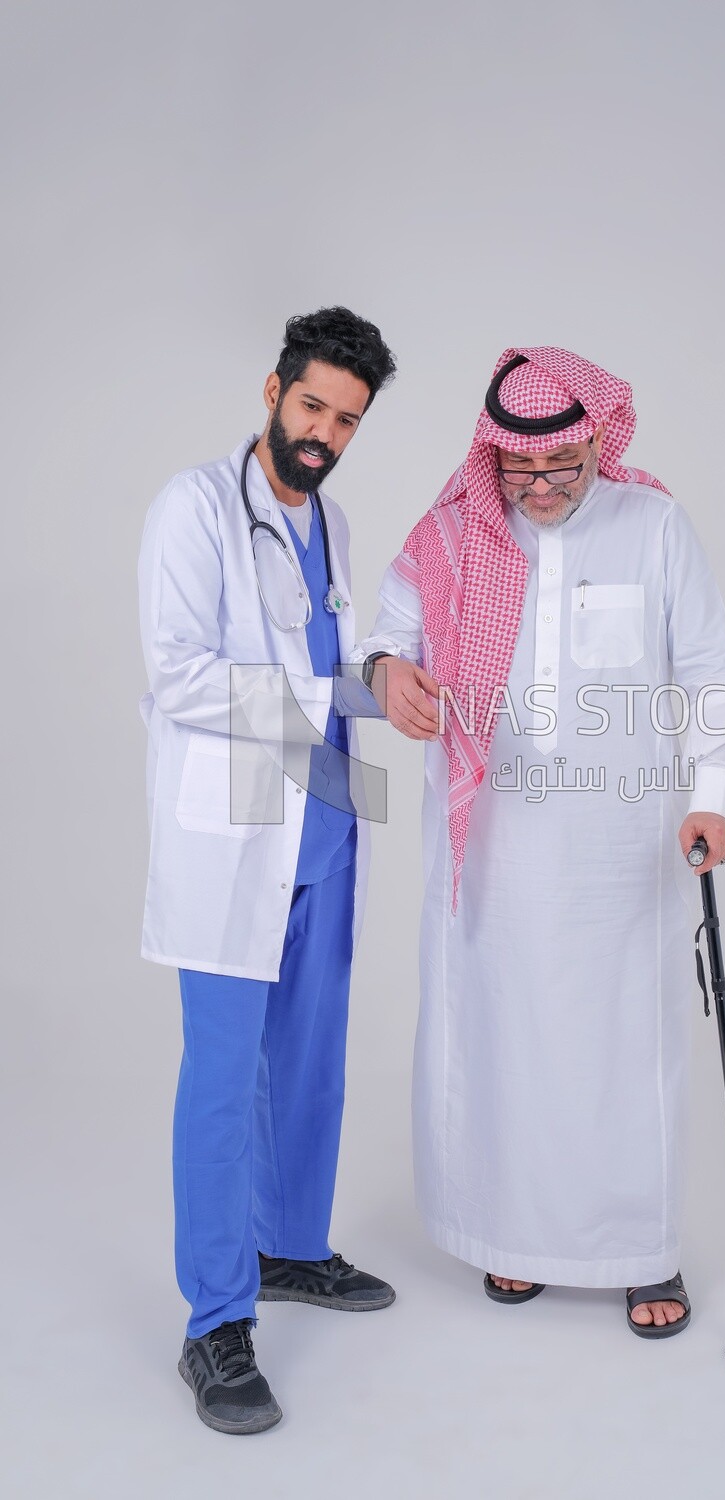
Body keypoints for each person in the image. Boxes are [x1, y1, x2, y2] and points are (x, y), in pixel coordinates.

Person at [355, 346, 725, 1340]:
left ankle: (641, 1252)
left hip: (621, 846)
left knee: (623, 1045)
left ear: (596, 443)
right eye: (520, 470)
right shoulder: (452, 536)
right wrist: (390, 672)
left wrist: (712, 795)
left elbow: (705, 670)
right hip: (491, 842)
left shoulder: (653, 525)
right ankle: (508, 1237)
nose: (539, 488)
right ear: (493, 455)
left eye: (561, 468)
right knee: (500, 1038)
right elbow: (386, 638)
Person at [138, 307, 397, 1435]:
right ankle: (214, 1325)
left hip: (326, 821)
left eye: (345, 419)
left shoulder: (333, 518)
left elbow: (335, 657)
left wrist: (385, 685)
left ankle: (291, 1247)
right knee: (221, 1083)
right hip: (236, 833)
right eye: (311, 407)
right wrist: (335, 701)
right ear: (272, 391)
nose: (325, 434)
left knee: (311, 1063)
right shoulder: (191, 507)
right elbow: (180, 678)